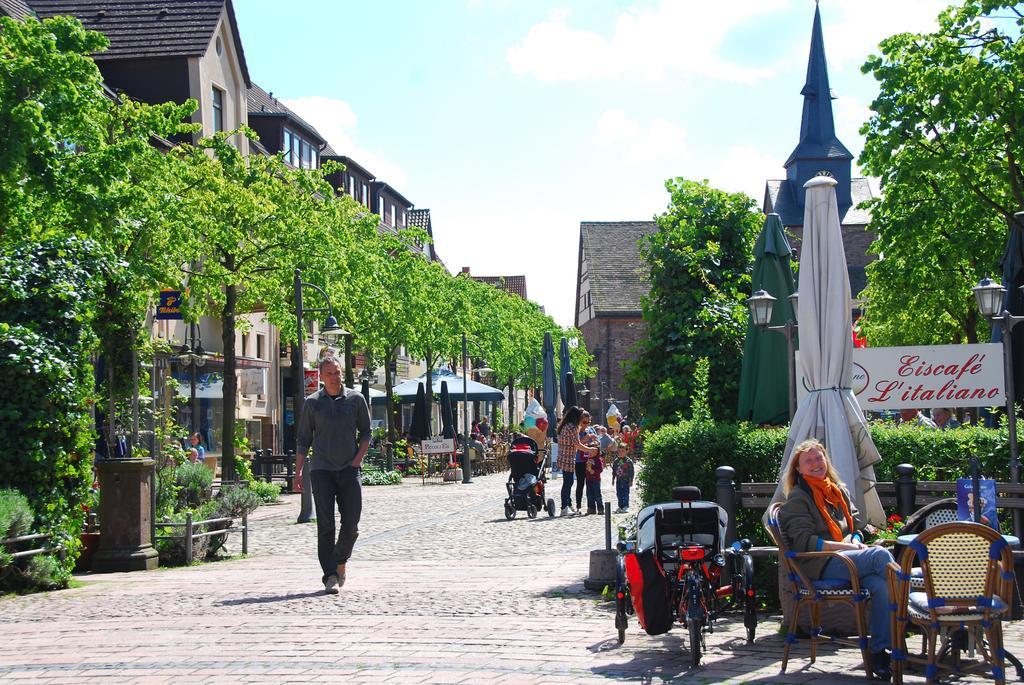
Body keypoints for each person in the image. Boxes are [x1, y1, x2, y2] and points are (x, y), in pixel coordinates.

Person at [778, 439, 894, 681]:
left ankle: (879, 651)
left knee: (881, 586)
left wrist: (852, 538)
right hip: (820, 565)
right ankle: (916, 610)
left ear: (826, 460)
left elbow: (856, 526)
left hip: (846, 559)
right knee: (881, 556)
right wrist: (846, 546)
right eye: (808, 461)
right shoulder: (799, 498)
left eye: (818, 458)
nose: (815, 464)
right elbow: (804, 542)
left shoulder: (837, 491)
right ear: (798, 469)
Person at [296, 356, 371, 595]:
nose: (335, 377)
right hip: (321, 471)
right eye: (329, 373)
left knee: (351, 525)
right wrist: (298, 472)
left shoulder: (355, 399)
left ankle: (341, 562)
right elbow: (303, 440)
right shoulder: (312, 403)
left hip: (349, 470)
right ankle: (330, 576)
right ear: (321, 376)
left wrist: (356, 462)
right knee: (326, 525)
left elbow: (367, 433)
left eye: (337, 372)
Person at [556, 406, 598, 517]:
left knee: (567, 482)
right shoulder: (573, 427)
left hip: (562, 456)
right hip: (568, 458)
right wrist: (591, 450)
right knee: (568, 483)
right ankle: (564, 507)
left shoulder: (564, 425)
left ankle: (568, 505)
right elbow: (578, 445)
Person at [575, 411, 598, 514]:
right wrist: (587, 438)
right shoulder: (575, 431)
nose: (586, 424)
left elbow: (598, 443)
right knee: (580, 483)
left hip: (590, 460)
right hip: (579, 460)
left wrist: (594, 442)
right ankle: (578, 506)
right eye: (584, 422)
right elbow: (577, 444)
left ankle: (591, 506)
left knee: (591, 483)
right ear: (579, 421)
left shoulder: (591, 429)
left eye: (588, 422)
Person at [611, 443, 634, 513]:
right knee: (619, 494)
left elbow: (631, 472)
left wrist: (631, 480)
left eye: (622, 451)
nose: (620, 453)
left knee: (625, 494)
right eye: (619, 451)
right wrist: (613, 479)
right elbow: (614, 470)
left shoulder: (628, 461)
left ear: (627, 451)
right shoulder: (616, 461)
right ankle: (620, 506)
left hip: (626, 480)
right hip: (618, 480)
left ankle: (626, 506)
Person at [584, 447, 604, 514]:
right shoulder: (587, 458)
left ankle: (600, 508)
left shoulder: (598, 460)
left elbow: (600, 469)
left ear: (596, 453)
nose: (590, 453)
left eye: (592, 451)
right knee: (589, 494)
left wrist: (593, 471)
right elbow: (582, 456)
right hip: (588, 479)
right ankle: (591, 508)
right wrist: (584, 448)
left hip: (596, 479)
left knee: (597, 494)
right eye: (589, 451)